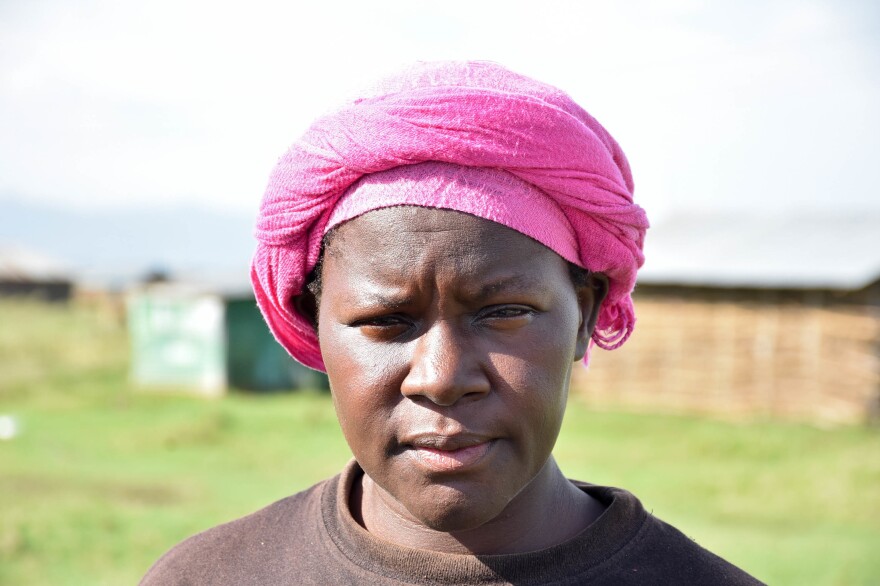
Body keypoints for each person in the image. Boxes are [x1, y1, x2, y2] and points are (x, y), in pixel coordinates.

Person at [141, 61, 762, 585]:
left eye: (505, 313)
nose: (441, 379)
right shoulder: (206, 576)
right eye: (385, 320)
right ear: (314, 324)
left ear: (585, 315)